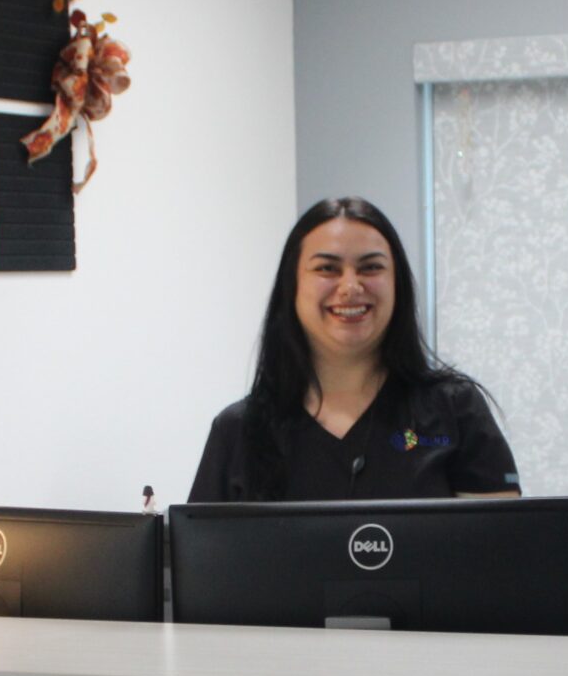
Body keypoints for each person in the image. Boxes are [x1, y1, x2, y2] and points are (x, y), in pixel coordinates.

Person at [187, 197, 518, 502]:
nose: (350, 286)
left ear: (397, 285)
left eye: (371, 267)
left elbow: (504, 550)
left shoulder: (455, 411)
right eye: (327, 268)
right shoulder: (239, 430)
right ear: (292, 288)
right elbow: (202, 560)